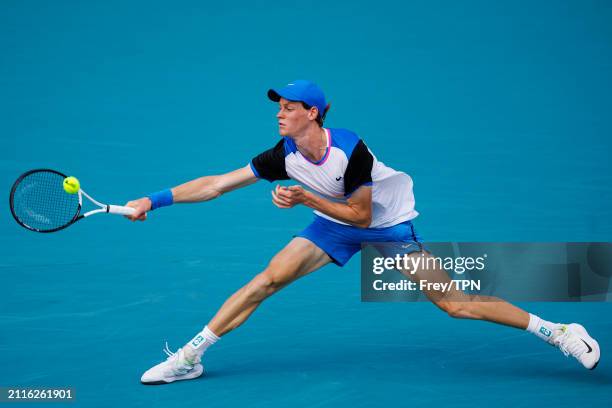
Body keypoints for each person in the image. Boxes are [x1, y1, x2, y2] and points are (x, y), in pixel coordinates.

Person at [125, 80, 600, 385]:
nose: (280, 114)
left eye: (289, 108)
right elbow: (216, 184)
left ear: (313, 113)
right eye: (279, 108)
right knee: (265, 281)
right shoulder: (282, 154)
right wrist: (153, 200)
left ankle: (557, 330)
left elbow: (362, 218)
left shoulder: (351, 151)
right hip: (332, 224)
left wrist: (305, 198)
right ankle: (190, 357)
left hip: (384, 227)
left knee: (456, 304)